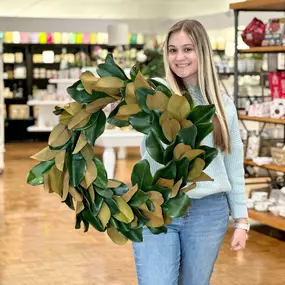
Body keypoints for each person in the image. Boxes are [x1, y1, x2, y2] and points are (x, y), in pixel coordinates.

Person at [132, 19, 249, 285]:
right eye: (172, 50)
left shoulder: (222, 104)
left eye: (188, 49)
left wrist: (241, 221)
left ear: (203, 52)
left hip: (207, 212)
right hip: (157, 205)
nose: (179, 57)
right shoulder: (156, 94)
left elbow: (233, 163)